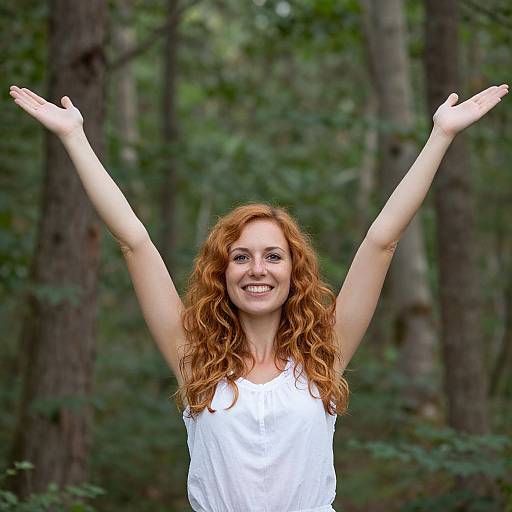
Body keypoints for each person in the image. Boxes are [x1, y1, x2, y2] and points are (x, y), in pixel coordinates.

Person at [9, 82, 509, 512]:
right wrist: (75, 137)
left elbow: (382, 242)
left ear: (294, 272)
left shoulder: (322, 357)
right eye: (241, 256)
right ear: (222, 272)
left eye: (273, 256)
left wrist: (440, 136)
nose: (257, 270)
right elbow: (134, 242)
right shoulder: (195, 360)